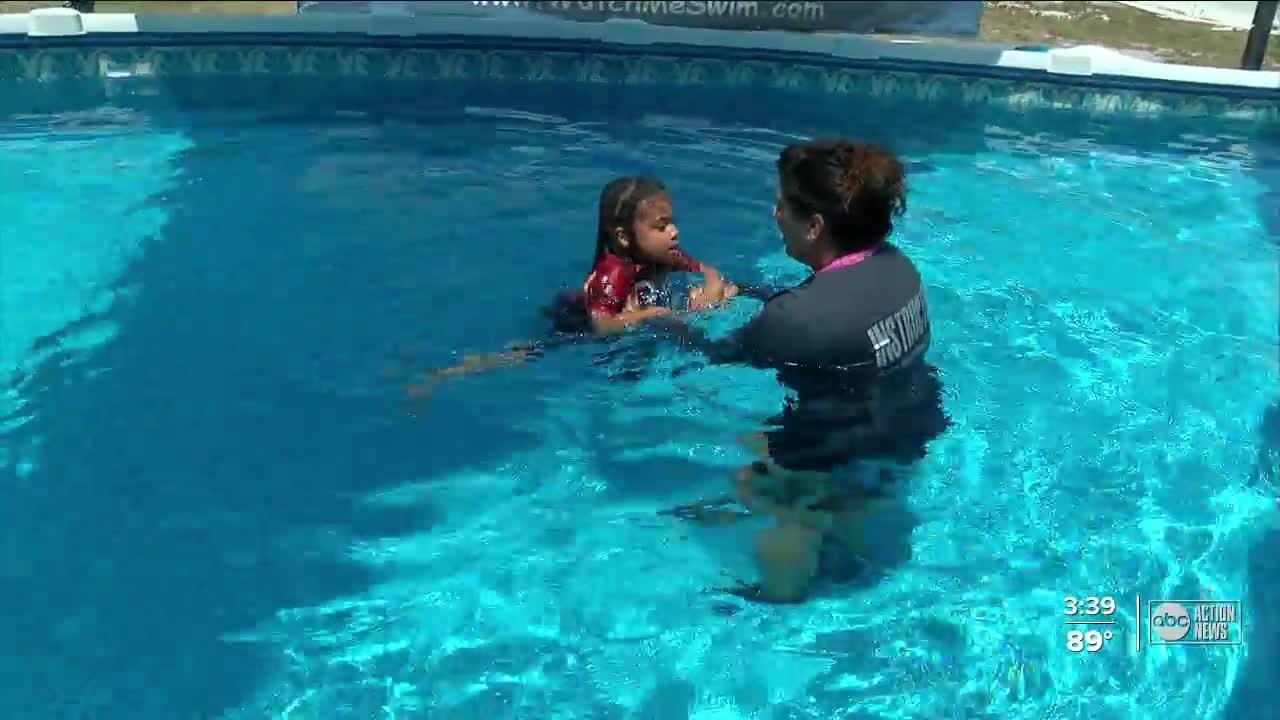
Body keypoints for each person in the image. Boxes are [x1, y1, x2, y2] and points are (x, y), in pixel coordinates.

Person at [655, 139, 950, 604]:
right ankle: (848, 537)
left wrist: (668, 321)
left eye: (783, 205)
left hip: (836, 444)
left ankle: (780, 599)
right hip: (909, 420)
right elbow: (817, 305)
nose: (774, 213)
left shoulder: (798, 319)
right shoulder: (897, 265)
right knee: (775, 460)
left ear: (814, 226)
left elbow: (716, 354)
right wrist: (744, 290)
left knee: (784, 504)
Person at [401, 175, 738, 398]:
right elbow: (603, 326)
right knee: (526, 353)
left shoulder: (663, 255)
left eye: (672, 222)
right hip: (577, 323)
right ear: (624, 236)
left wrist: (710, 290)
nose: (674, 232)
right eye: (661, 226)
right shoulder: (614, 272)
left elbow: (707, 271)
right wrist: (652, 314)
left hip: (614, 310)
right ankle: (440, 376)